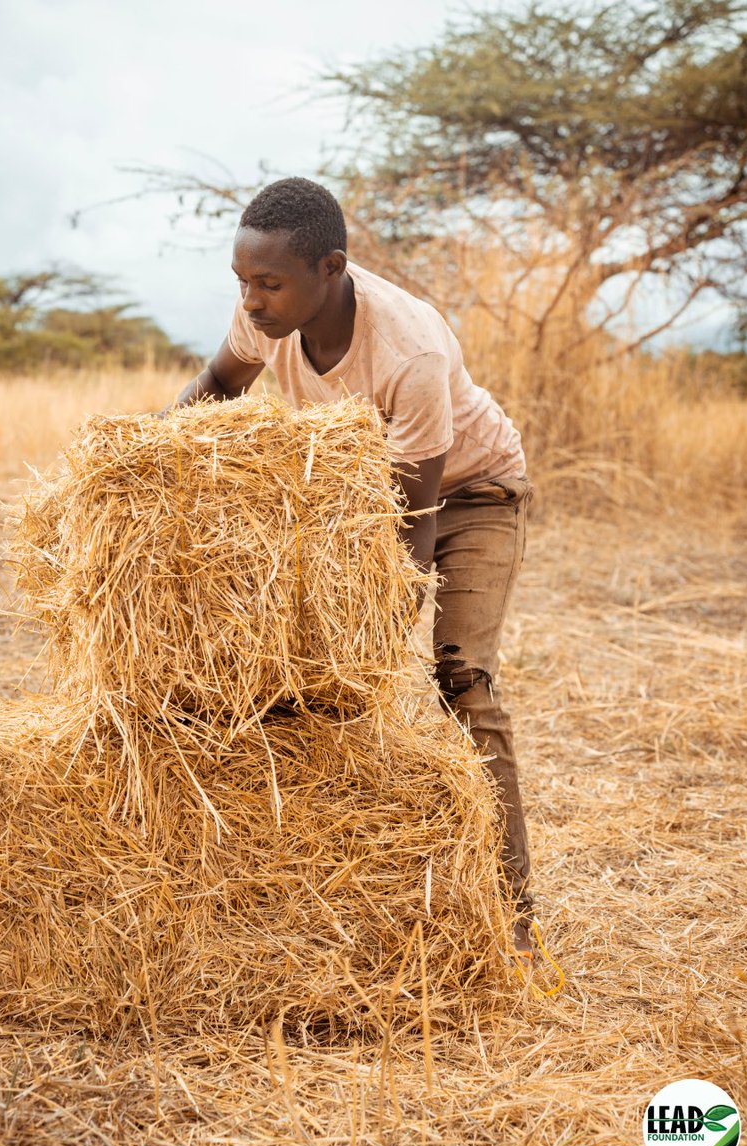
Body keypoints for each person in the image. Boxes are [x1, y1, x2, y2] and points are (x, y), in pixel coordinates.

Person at [166, 177, 536, 961]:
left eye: (269, 283)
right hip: (360, 500)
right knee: (290, 681)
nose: (253, 300)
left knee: (461, 679)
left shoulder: (411, 351)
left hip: (467, 495)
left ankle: (515, 922)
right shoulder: (264, 320)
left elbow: (415, 521)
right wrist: (132, 462)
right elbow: (214, 391)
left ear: (331, 268)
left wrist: (367, 643)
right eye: (243, 282)